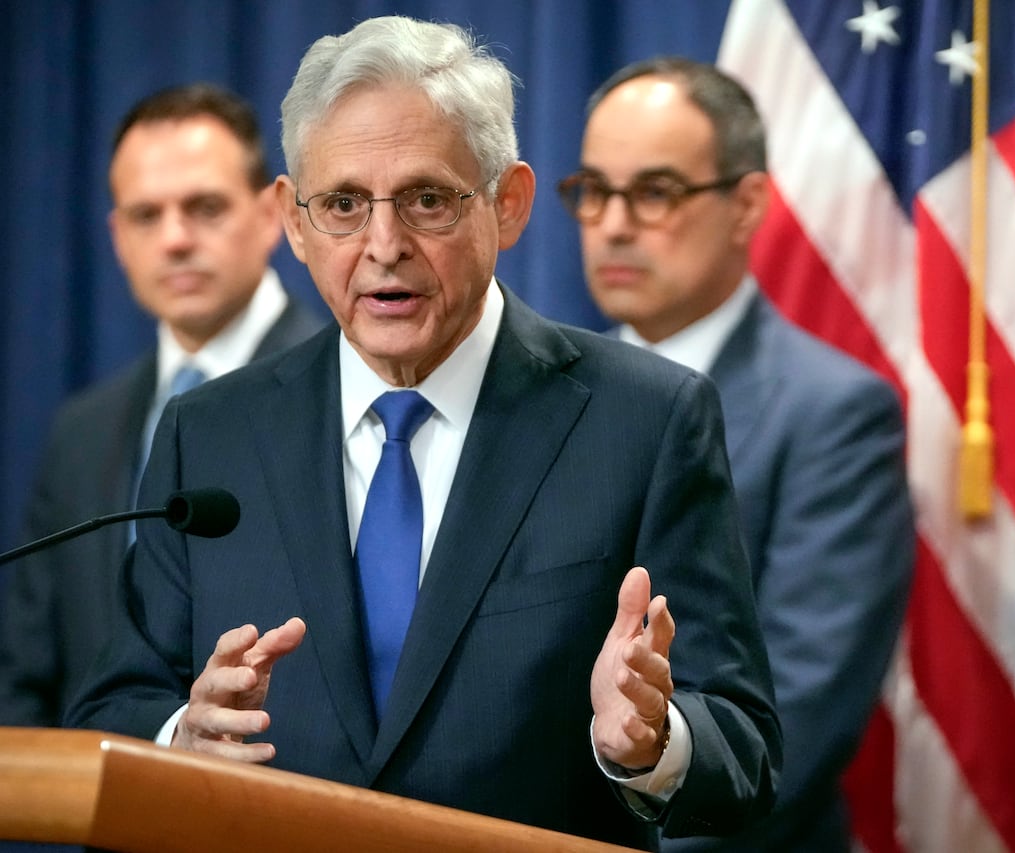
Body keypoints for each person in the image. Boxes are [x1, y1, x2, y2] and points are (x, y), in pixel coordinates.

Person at [65, 17, 780, 849]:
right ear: (294, 223)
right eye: (341, 204)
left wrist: (652, 743)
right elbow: (113, 709)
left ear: (507, 204)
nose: (383, 246)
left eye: (427, 199)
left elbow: (745, 750)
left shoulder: (646, 419)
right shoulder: (209, 431)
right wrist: (184, 737)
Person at [560, 57, 915, 851]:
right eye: (594, 190)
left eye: (655, 192)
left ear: (747, 203)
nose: (614, 224)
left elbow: (796, 723)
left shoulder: (835, 415)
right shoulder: (541, 397)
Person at [0, 83, 324, 728]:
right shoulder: (81, 432)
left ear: (272, 215)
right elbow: (24, 677)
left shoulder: (345, 387)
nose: (174, 239)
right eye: (146, 215)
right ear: (118, 237)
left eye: (204, 207)